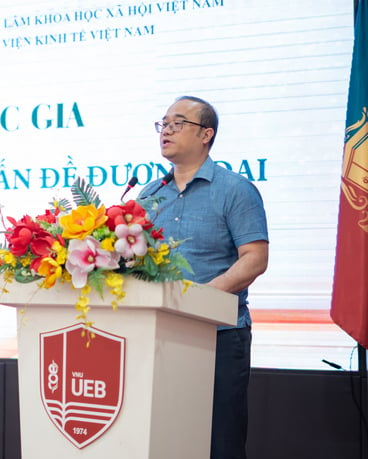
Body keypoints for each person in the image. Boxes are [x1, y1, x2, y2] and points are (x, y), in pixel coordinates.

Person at [138, 96, 269, 459]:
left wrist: (203, 299)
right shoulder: (150, 195)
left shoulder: (235, 190)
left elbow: (255, 259)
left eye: (178, 123)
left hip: (219, 337)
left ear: (206, 134)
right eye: (163, 123)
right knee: (163, 438)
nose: (166, 130)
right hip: (159, 335)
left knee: (219, 443)